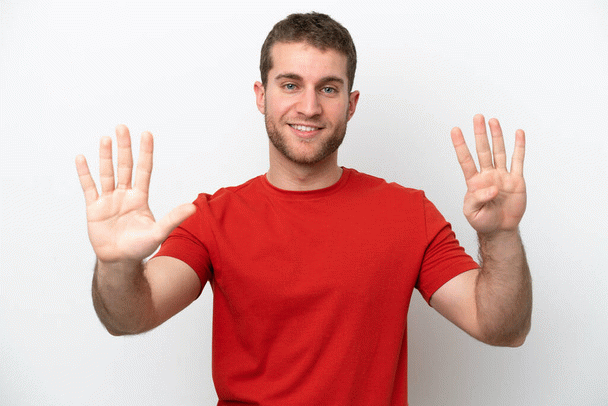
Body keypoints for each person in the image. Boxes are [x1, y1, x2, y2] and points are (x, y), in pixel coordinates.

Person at [75, 12, 532, 405]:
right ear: (261, 95)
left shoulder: (409, 213)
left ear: (351, 104)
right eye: (291, 85)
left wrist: (500, 235)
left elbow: (501, 328)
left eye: (328, 88)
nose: (309, 107)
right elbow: (129, 316)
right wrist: (117, 264)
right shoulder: (211, 218)